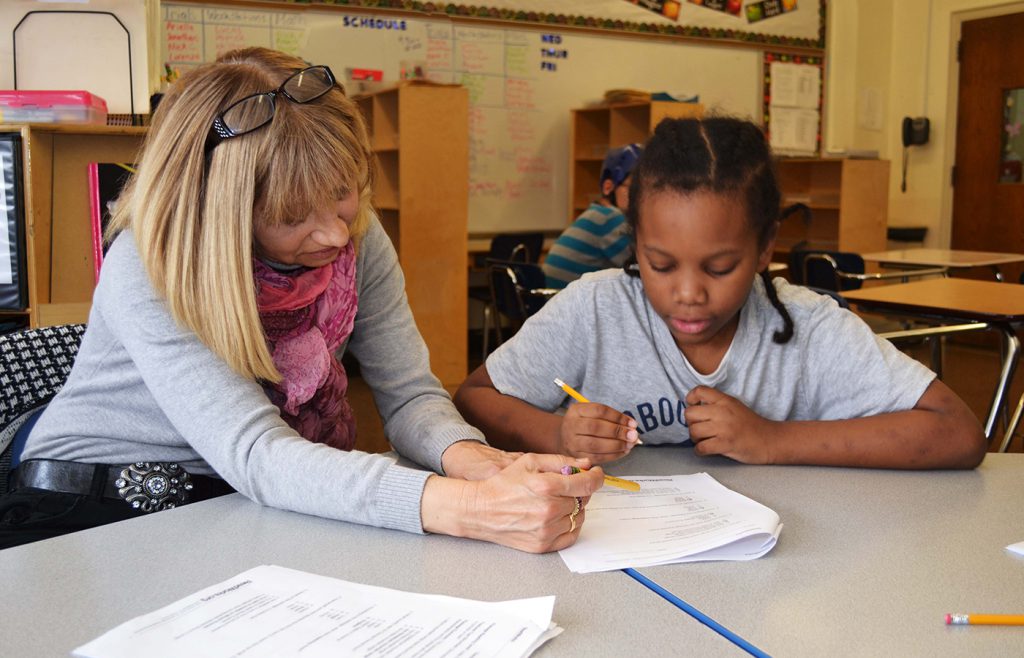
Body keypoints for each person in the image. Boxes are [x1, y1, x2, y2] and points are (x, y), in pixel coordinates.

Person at [0, 47, 602, 551]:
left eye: (343, 193)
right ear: (224, 212)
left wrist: (474, 460)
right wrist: (469, 508)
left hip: (235, 495)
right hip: (91, 506)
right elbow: (258, 452)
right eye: (292, 216)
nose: (336, 234)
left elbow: (411, 393)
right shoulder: (151, 264)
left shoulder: (358, 237)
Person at [455, 117, 987, 470]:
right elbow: (473, 397)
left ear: (763, 249)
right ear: (635, 241)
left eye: (720, 267)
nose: (688, 294)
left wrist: (771, 440)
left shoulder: (807, 327)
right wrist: (556, 435)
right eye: (660, 264)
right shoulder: (596, 309)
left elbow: (959, 433)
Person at [542, 143, 642, 289]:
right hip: (571, 305)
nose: (640, 195)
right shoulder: (610, 220)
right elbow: (640, 269)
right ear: (609, 187)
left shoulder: (596, 214)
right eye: (633, 187)